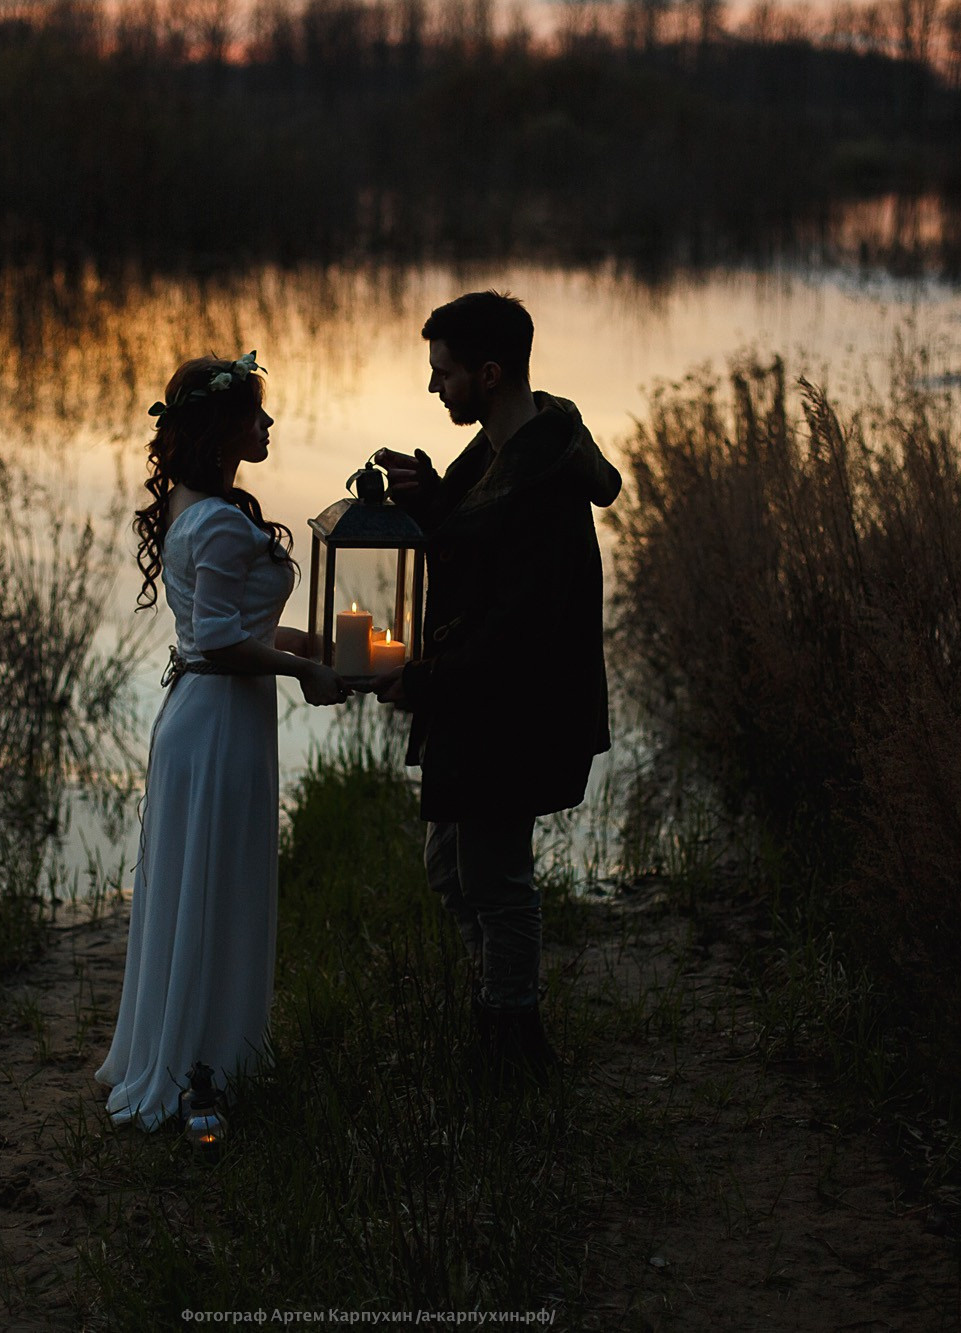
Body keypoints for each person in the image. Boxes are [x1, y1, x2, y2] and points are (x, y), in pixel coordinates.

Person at [369, 293, 623, 1078]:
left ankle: (513, 1043)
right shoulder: (492, 452)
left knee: (496, 878)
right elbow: (475, 539)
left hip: (515, 712)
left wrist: (425, 680)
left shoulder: (544, 480)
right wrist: (430, 496)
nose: (434, 386)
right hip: (478, 705)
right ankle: (498, 1004)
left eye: (444, 372)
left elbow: (519, 627)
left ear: (489, 373)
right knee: (451, 867)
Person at [96, 352, 352, 1130]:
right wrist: (303, 672)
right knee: (210, 885)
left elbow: (234, 626)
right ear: (221, 428)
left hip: (213, 711)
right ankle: (195, 1070)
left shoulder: (196, 505)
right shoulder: (213, 518)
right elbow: (216, 640)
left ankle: (205, 1053)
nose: (267, 424)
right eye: (254, 414)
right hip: (215, 721)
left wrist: (306, 645)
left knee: (209, 881)